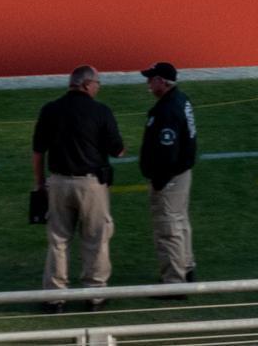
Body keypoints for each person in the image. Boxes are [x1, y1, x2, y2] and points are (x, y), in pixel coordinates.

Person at [33, 65, 124, 307]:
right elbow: (119, 150)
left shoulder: (50, 109)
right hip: (92, 184)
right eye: (97, 83)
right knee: (96, 238)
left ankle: (54, 296)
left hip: (58, 182)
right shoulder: (101, 111)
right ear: (86, 84)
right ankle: (94, 294)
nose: (98, 87)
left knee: (58, 240)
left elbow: (38, 152)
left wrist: (41, 184)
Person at [138, 62, 199, 290]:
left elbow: (167, 148)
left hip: (170, 176)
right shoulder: (181, 100)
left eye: (151, 78)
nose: (148, 82)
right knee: (180, 222)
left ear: (162, 82)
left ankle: (174, 283)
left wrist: (160, 178)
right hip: (182, 173)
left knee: (168, 228)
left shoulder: (167, 109)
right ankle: (186, 267)